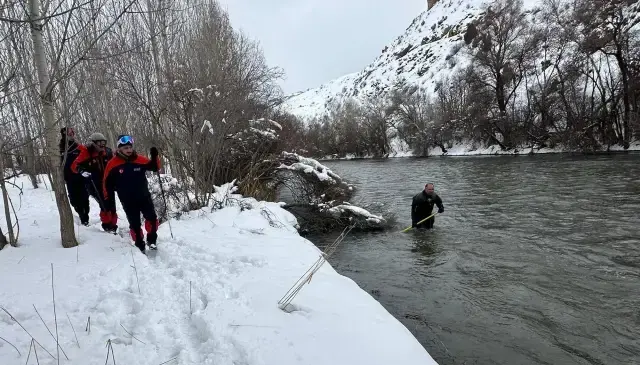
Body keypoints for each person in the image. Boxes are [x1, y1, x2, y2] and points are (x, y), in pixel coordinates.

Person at [103, 135, 160, 253]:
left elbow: (155, 167)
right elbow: (106, 183)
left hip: (144, 196)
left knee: (152, 219)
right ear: (119, 149)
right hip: (128, 200)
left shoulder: (139, 159)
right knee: (135, 224)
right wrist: (107, 198)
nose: (129, 150)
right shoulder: (112, 164)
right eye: (125, 148)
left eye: (130, 147)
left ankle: (152, 240)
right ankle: (140, 245)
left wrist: (155, 157)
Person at [71, 132, 118, 233]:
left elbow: (116, 163)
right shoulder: (86, 152)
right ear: (93, 143)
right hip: (94, 184)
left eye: (104, 142)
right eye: (99, 143)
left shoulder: (108, 152)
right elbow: (75, 166)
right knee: (104, 205)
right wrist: (81, 171)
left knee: (112, 205)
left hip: (108, 183)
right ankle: (107, 225)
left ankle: (113, 224)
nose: (102, 145)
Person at [59, 127, 90, 225]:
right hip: (69, 178)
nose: (72, 134)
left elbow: (86, 158)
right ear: (64, 134)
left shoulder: (78, 147)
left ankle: (85, 218)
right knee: (74, 200)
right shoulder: (60, 148)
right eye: (69, 133)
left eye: (73, 133)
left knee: (85, 199)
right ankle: (82, 216)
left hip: (81, 177)